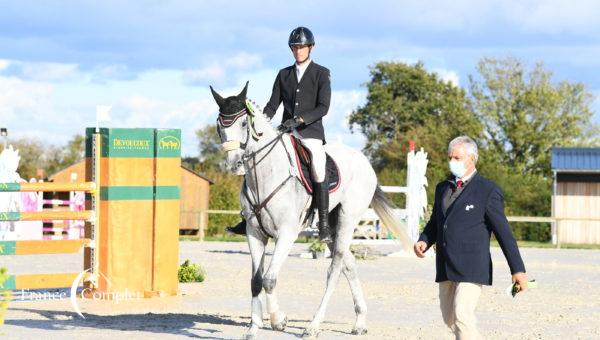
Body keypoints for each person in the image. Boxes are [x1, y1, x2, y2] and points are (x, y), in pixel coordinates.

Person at [414, 136, 528, 340]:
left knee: (462, 315)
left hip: (473, 266)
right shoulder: (442, 188)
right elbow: (436, 222)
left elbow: (504, 233)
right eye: (450, 157)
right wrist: (424, 239)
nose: (452, 162)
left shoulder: (488, 191)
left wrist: (517, 269)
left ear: (472, 158)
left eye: (457, 157)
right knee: (450, 319)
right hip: (445, 265)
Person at [227, 26, 333, 243]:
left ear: (310, 48)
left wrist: (301, 120)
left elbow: (323, 107)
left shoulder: (321, 73)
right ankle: (248, 217)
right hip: (286, 132)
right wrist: (261, 121)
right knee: (257, 159)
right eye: (294, 47)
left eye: (301, 47)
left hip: (310, 133)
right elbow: (273, 105)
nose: (298, 51)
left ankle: (323, 223)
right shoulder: (283, 74)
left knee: (318, 164)